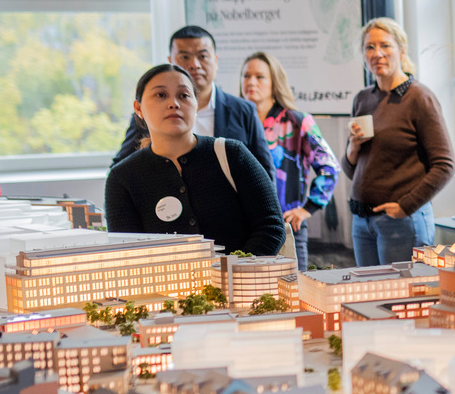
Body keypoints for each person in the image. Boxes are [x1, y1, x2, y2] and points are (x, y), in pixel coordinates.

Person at [106, 64, 286, 256]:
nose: (173, 103)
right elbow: (128, 253)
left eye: (183, 95)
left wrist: (231, 269)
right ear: (138, 108)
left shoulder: (233, 154)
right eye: (161, 95)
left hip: (241, 275)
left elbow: (271, 227)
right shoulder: (122, 178)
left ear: (196, 104)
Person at [343, 17, 455, 265]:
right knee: (366, 289)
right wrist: (352, 149)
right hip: (362, 221)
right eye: (370, 47)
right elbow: (353, 170)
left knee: (402, 290)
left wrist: (406, 206)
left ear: (401, 50)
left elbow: (445, 165)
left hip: (401, 221)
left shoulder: (419, 97)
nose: (377, 53)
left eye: (385, 45)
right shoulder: (363, 99)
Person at [112, 25, 273, 176]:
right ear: (170, 61)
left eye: (202, 56)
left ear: (216, 60)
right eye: (184, 57)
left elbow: (264, 173)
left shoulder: (243, 110)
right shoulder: (151, 112)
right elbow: (120, 169)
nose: (194, 64)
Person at [239, 51, 339, 271]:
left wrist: (307, 208)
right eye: (246, 76)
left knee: (292, 289)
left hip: (286, 227)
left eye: (259, 76)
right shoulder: (235, 122)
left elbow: (329, 167)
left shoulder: (297, 121)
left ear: (274, 82)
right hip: (244, 228)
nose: (251, 82)